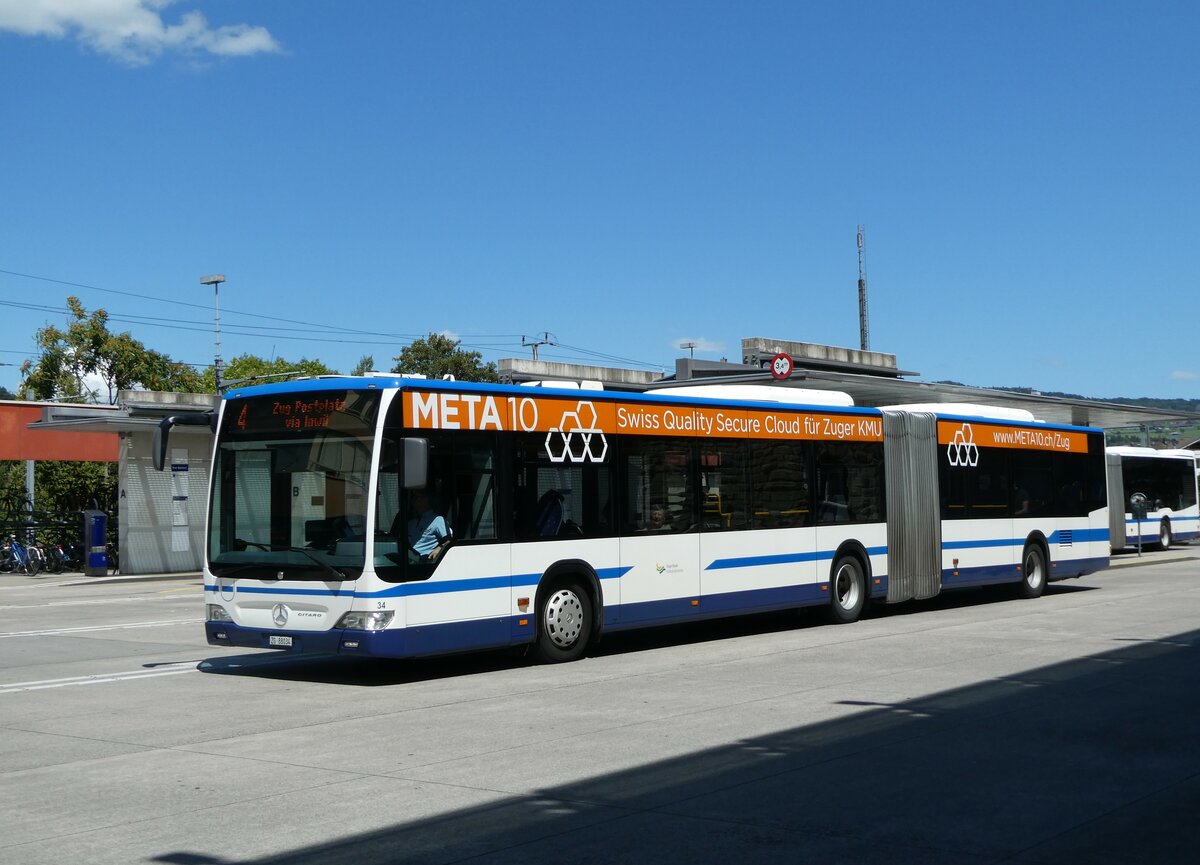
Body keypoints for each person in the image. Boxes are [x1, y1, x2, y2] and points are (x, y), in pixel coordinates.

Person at [406, 489, 449, 561]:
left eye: (420, 497)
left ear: (428, 500)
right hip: (408, 559)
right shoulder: (411, 522)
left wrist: (439, 548)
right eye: (415, 498)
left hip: (423, 560)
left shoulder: (437, 519)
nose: (417, 500)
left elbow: (450, 539)